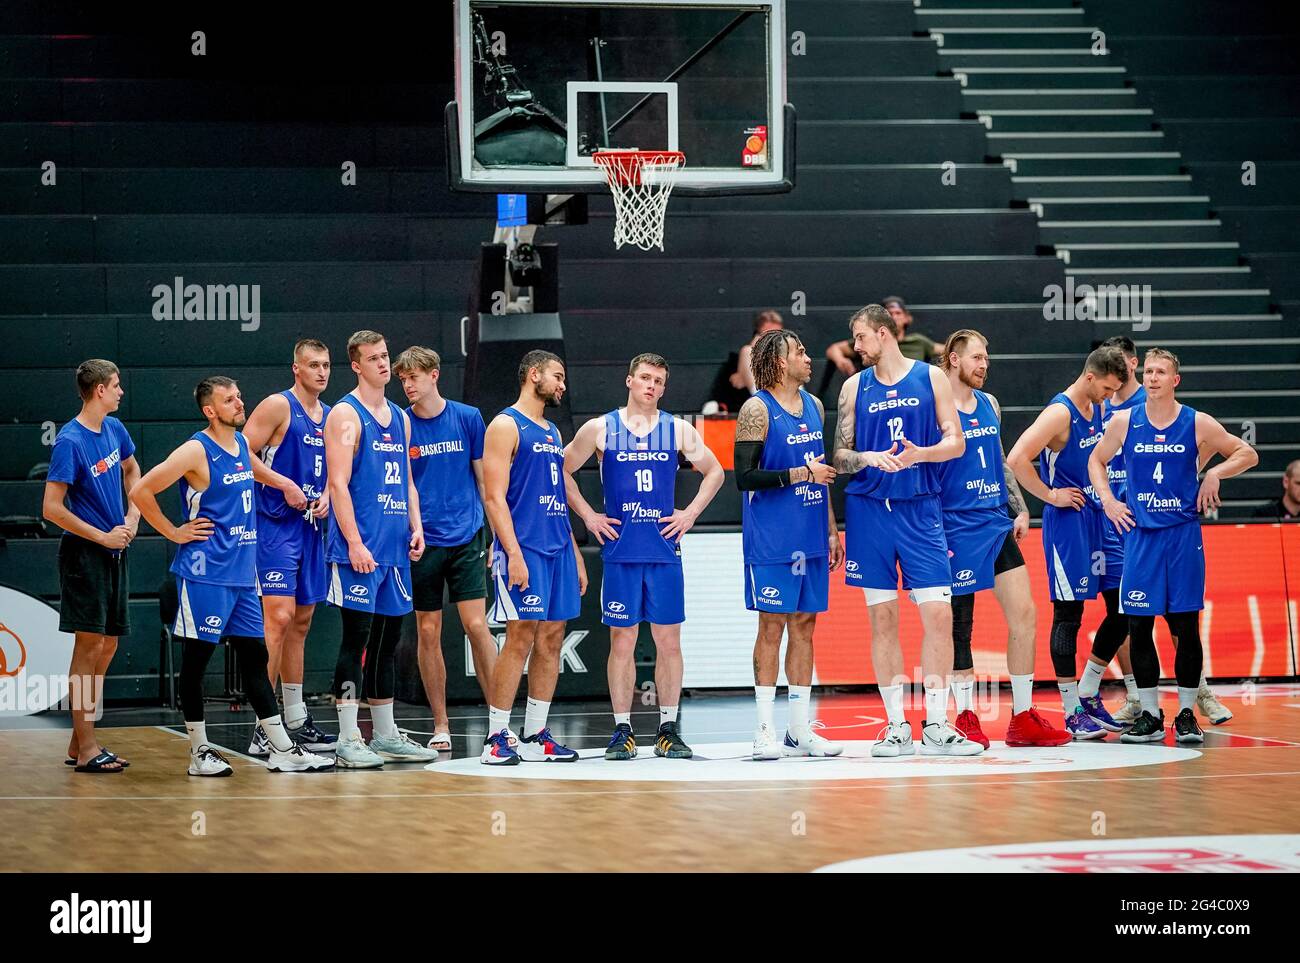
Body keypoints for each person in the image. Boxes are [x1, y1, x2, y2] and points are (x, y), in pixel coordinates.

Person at [129, 377, 333, 775]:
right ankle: (198, 752)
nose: (240, 403)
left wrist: (284, 482)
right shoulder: (195, 450)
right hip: (206, 573)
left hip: (242, 574)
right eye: (230, 400)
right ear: (210, 410)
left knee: (255, 658)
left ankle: (280, 747)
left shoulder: (240, 444)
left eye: (239, 396)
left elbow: (254, 469)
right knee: (197, 661)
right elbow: (140, 490)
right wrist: (173, 532)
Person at [1087, 348, 1258, 743]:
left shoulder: (1196, 422)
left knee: (1184, 626)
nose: (1152, 377)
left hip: (1182, 535)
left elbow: (1247, 453)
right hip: (1141, 536)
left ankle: (1185, 713)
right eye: (1147, 371)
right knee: (1139, 626)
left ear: (1175, 380)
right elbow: (1096, 462)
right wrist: (1109, 500)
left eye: (1161, 372)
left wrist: (1215, 472)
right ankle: (1149, 713)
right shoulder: (1125, 420)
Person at [833, 304, 982, 756]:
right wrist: (866, 458)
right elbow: (839, 456)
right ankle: (897, 725)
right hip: (870, 512)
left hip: (921, 509)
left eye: (860, 337)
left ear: (883, 333)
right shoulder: (853, 387)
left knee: (939, 615)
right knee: (884, 618)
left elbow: (956, 443)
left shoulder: (930, 377)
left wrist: (921, 454)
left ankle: (936, 724)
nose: (856, 347)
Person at [564, 353, 725, 760]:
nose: (652, 386)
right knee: (623, 640)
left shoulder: (677, 430)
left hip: (663, 550)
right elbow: (560, 470)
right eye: (645, 378)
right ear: (629, 381)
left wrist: (689, 514)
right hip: (621, 550)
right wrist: (588, 515)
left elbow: (716, 471)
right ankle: (623, 730)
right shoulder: (601, 427)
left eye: (659, 381)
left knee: (669, 642)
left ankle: (668, 728)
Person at [936, 331, 1069, 748]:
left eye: (986, 357)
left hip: (994, 521)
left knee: (1025, 615)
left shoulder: (989, 404)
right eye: (977, 357)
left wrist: (1020, 506)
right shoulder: (934, 406)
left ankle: (1023, 717)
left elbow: (998, 461)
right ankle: (964, 715)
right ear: (954, 360)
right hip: (953, 526)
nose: (985, 364)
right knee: (960, 627)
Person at [324, 330, 438, 767]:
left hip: (394, 548)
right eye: (373, 358)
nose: (383, 364)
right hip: (360, 548)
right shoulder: (345, 415)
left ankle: (386, 734)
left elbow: (407, 480)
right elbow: (337, 484)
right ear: (356, 365)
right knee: (357, 640)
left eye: (385, 356)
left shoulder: (399, 416)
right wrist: (353, 542)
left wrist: (417, 527)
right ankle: (348, 737)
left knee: (389, 641)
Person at [1006, 346, 1128, 739]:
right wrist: (1050, 494)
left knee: (1124, 606)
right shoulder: (1060, 413)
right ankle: (1071, 707)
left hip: (1099, 516)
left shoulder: (1100, 409)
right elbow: (1017, 457)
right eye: (1107, 388)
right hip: (1069, 523)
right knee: (1069, 615)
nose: (1110, 396)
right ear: (1090, 377)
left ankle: (1090, 688)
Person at [734, 330, 845, 759]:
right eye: (799, 351)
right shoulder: (756, 409)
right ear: (779, 362)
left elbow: (824, 476)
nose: (807, 356)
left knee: (805, 627)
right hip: (773, 538)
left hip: (811, 535)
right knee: (772, 627)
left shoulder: (815, 406)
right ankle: (764, 728)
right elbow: (744, 478)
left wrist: (831, 530)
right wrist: (801, 474)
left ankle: (799, 730)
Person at [480, 350, 588, 765]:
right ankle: (496, 738)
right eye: (558, 376)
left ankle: (535, 734)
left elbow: (557, 496)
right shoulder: (505, 425)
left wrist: (575, 552)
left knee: (552, 637)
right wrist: (512, 552)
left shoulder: (552, 432)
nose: (562, 385)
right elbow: (493, 497)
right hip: (523, 548)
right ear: (533, 374)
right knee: (520, 634)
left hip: (557, 547)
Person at [395, 346, 497, 753]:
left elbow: (486, 483)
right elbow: (405, 483)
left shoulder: (468, 418)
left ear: (434, 375)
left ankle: (499, 721)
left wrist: (496, 540)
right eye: (402, 379)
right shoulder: (400, 424)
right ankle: (441, 722)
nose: (407, 385)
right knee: (427, 629)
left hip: (467, 536)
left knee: (476, 626)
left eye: (414, 377)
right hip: (423, 542)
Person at [42, 360, 142, 773]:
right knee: (88, 646)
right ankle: (86, 748)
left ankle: (77, 741)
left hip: (116, 549)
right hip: (85, 554)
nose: (121, 392)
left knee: (110, 643)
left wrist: (133, 515)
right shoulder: (70, 440)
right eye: (116, 385)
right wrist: (100, 536)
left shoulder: (115, 430)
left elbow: (133, 470)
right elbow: (51, 508)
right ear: (99, 390)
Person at [240, 339, 337, 757]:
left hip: (312, 527)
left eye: (327, 365)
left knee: (301, 621)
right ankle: (265, 723)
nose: (321, 372)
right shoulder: (278, 406)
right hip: (274, 526)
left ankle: (295, 717)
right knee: (277, 619)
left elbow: (341, 471)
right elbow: (239, 453)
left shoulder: (334, 416)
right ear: (296, 368)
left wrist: (330, 495)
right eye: (313, 365)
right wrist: (283, 483)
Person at [825, 296, 939, 375]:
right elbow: (833, 349)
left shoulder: (918, 341)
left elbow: (946, 349)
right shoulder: (866, 341)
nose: (894, 317)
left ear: (906, 318)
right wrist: (841, 360)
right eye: (890, 313)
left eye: (898, 313)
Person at [732, 309, 785, 396]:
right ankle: (764, 398)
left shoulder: (784, 352)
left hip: (787, 398)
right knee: (747, 351)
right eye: (768, 334)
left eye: (777, 334)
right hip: (759, 398)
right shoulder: (747, 352)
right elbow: (737, 383)